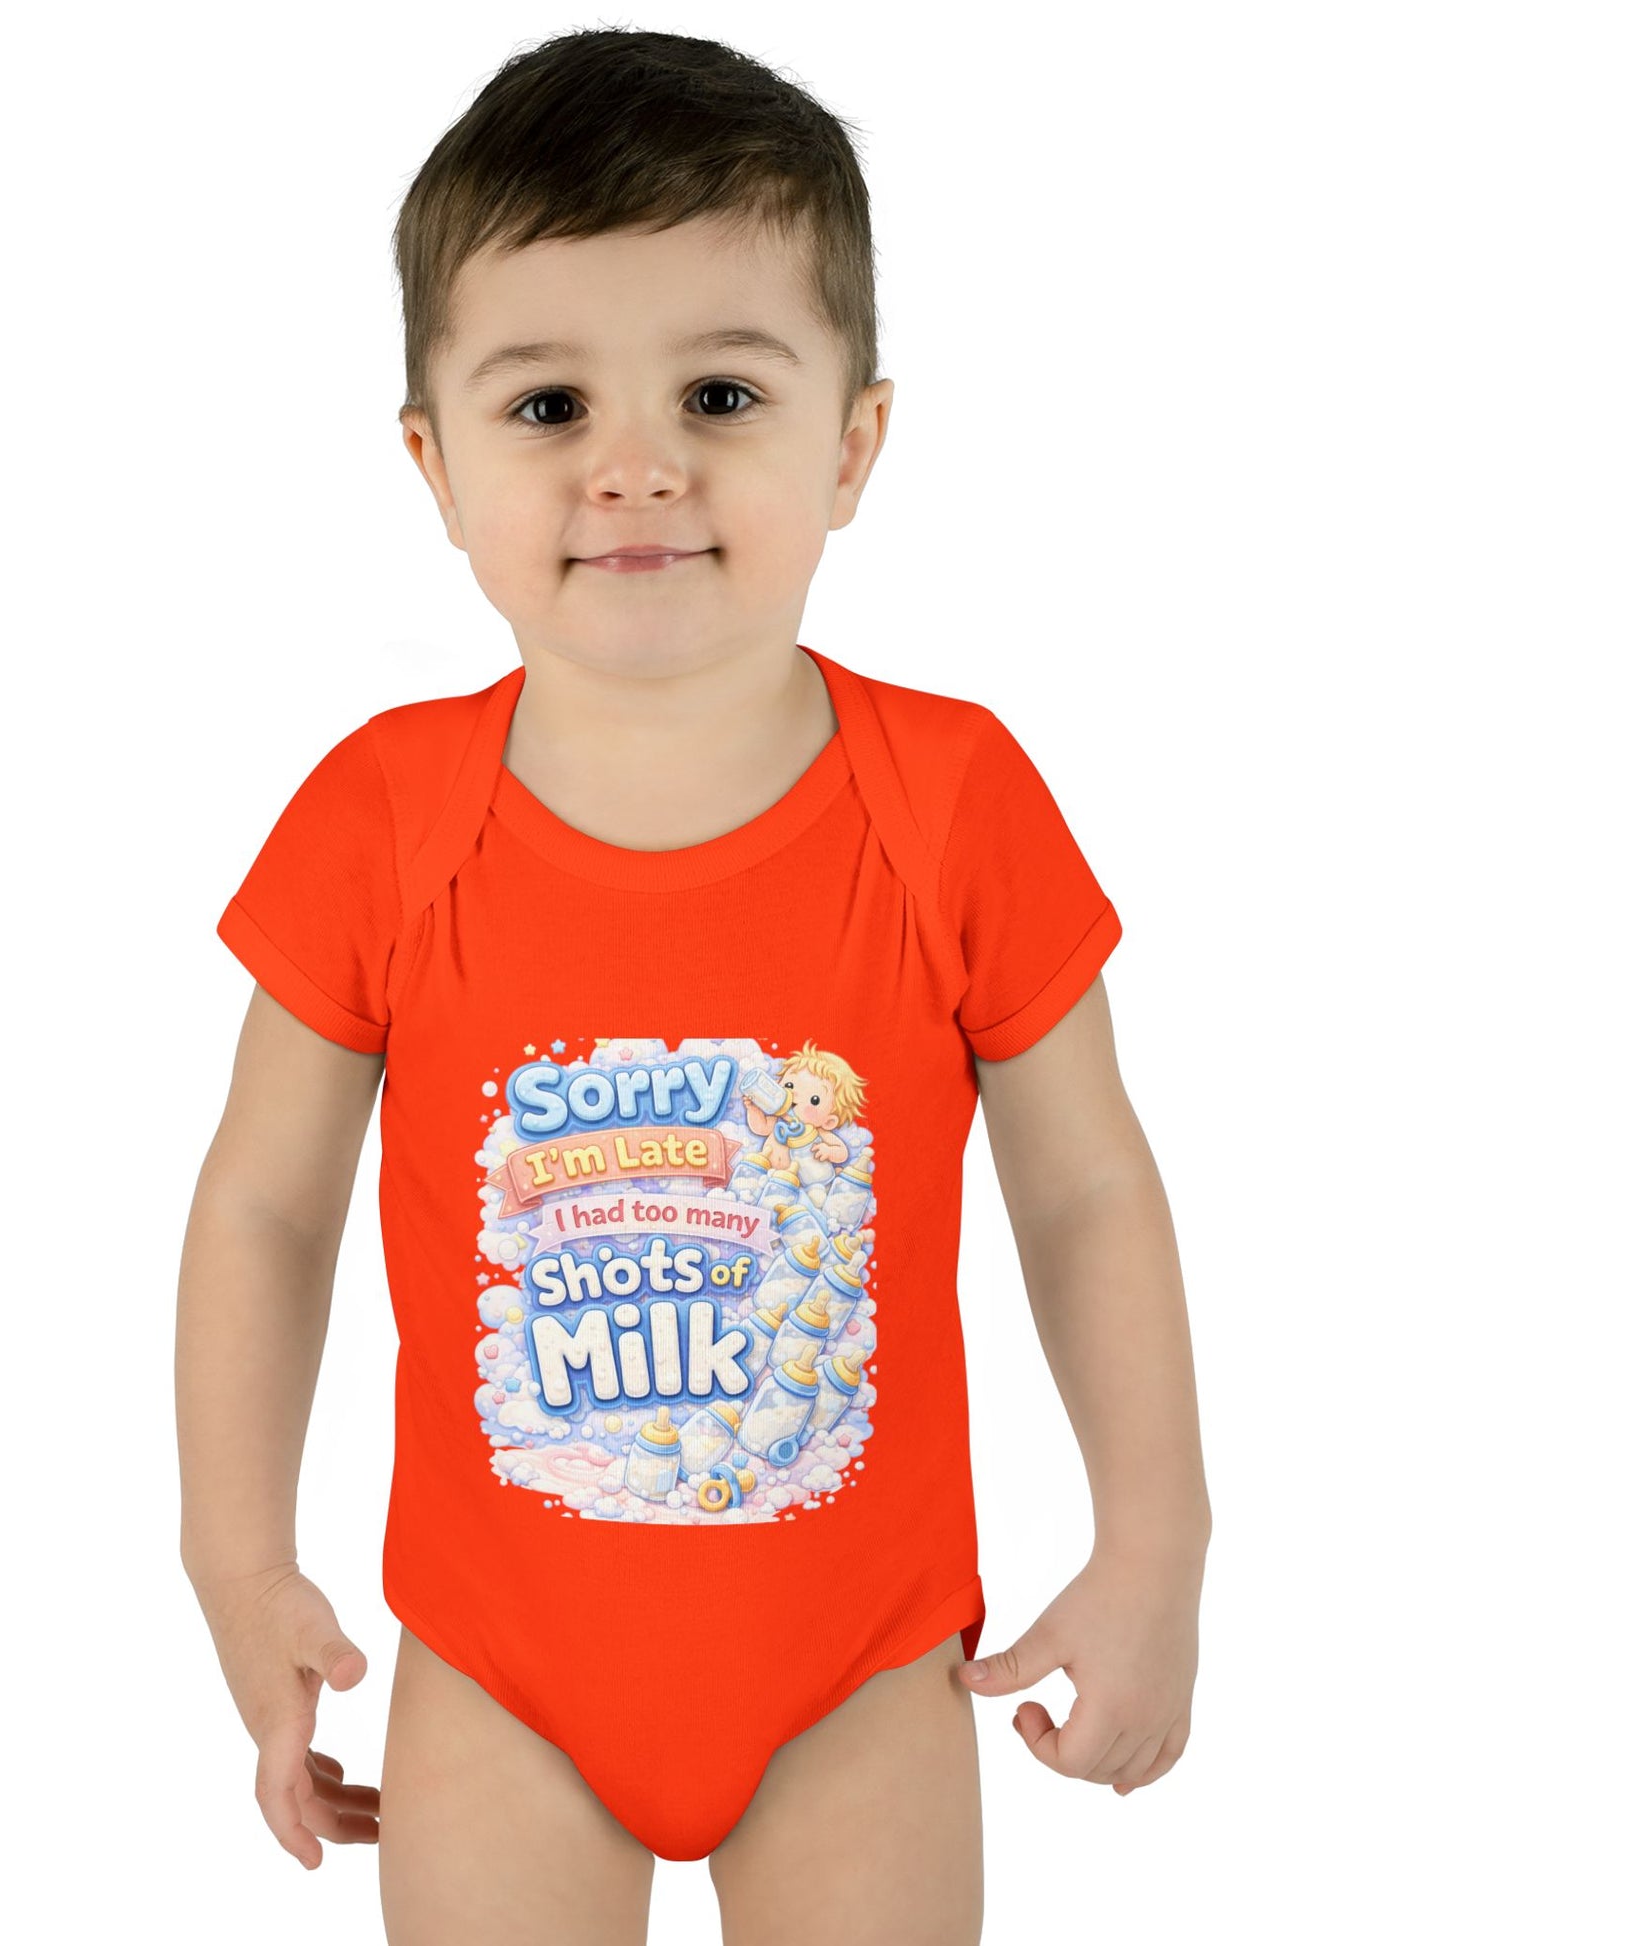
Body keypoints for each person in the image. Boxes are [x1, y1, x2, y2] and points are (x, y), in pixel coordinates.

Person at [176, 27, 1209, 1945]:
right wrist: (238, 1566)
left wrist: (1156, 1539)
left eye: (719, 393)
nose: (635, 465)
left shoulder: (953, 797)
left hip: (858, 1668)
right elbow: (262, 1207)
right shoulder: (379, 815)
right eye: (548, 403)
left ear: (852, 445)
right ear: (435, 465)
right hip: (497, 1669)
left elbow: (1082, 1188)